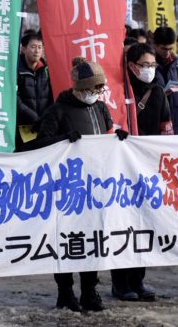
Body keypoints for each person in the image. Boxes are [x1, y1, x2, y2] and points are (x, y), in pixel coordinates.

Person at [37, 57, 127, 313]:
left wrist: (118, 137)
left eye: (99, 89)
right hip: (66, 187)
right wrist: (63, 139)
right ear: (78, 87)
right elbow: (40, 145)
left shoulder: (100, 108)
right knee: (65, 238)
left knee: (92, 238)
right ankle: (65, 290)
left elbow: (108, 135)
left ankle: (90, 289)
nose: (96, 94)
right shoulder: (58, 111)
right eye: (91, 89)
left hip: (96, 185)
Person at [110, 43, 170, 302]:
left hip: (147, 166)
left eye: (152, 65)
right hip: (120, 166)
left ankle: (138, 280)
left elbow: (166, 125)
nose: (149, 70)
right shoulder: (118, 89)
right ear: (131, 65)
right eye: (144, 65)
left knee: (144, 223)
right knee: (122, 224)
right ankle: (120, 283)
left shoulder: (157, 90)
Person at [15, 32, 53, 148]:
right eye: (33, 47)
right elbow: (15, 99)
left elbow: (52, 96)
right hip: (22, 127)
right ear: (23, 49)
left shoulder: (47, 70)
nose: (37, 51)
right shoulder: (16, 69)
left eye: (39, 47)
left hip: (44, 125)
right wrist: (34, 118)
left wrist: (46, 119)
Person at [153, 27, 178, 134]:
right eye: (164, 49)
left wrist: (175, 87)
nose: (167, 53)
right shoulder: (148, 64)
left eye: (170, 49)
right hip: (156, 119)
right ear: (155, 45)